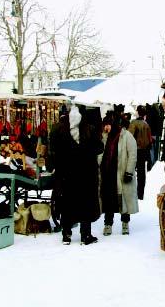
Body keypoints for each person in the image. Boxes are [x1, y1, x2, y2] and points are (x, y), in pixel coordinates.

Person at [49, 104, 104, 245]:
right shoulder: (89, 130)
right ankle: (85, 235)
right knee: (85, 203)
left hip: (66, 174)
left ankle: (66, 234)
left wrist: (56, 167)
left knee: (67, 203)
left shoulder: (58, 129)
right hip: (86, 174)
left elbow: (53, 151)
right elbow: (99, 148)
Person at [100, 111, 138, 236]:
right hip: (108, 174)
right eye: (105, 125)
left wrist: (129, 171)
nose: (106, 127)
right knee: (108, 199)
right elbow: (100, 154)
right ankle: (108, 224)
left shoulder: (126, 136)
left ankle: (125, 223)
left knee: (124, 199)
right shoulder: (105, 137)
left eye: (108, 124)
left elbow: (132, 155)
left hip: (121, 173)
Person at [128, 105, 153, 200]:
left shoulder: (133, 123)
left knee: (130, 171)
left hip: (135, 151)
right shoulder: (146, 125)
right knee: (141, 175)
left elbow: (130, 138)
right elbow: (150, 141)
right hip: (143, 152)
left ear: (138, 112)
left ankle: (130, 193)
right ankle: (140, 194)